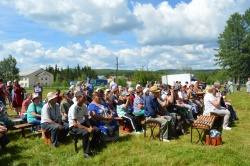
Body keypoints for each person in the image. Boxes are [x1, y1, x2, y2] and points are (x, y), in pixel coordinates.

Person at [68, 91, 101, 158]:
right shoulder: (73, 108)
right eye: (83, 97)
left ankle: (93, 145)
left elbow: (86, 119)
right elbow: (75, 123)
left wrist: (90, 127)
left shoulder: (85, 106)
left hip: (82, 123)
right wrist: (87, 129)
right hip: (74, 126)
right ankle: (87, 153)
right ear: (78, 98)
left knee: (97, 130)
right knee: (85, 133)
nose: (85, 98)